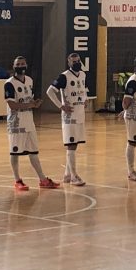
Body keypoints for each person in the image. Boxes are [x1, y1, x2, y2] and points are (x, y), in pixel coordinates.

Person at [5, 56, 61, 191]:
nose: (20, 66)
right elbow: (12, 104)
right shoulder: (9, 83)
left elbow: (28, 100)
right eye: (18, 64)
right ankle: (17, 180)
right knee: (15, 152)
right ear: (14, 66)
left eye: (23, 63)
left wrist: (35, 103)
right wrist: (30, 104)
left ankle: (42, 179)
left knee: (33, 151)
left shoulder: (29, 80)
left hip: (29, 121)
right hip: (16, 122)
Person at [47, 53, 90, 186]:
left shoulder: (83, 74)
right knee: (71, 145)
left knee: (75, 145)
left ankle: (67, 174)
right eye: (73, 61)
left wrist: (85, 99)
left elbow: (82, 89)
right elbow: (50, 91)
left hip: (80, 114)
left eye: (78, 61)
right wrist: (61, 106)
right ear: (69, 63)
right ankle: (74, 176)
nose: (76, 63)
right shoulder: (64, 76)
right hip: (69, 116)